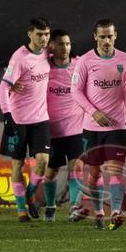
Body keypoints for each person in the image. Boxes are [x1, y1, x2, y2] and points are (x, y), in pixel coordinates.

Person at [71, 19, 126, 230]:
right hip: (92, 127)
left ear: (116, 36)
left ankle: (115, 211)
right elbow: (75, 91)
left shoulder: (125, 58)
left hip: (117, 127)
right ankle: (98, 212)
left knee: (116, 171)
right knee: (94, 173)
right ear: (95, 37)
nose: (106, 40)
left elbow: (125, 87)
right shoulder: (85, 61)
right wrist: (94, 113)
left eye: (110, 36)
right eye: (102, 36)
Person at [0, 17, 51, 222]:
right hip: (18, 119)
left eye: (46, 34)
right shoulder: (19, 58)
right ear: (30, 34)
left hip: (41, 119)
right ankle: (21, 210)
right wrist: (7, 116)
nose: (44, 38)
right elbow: (3, 87)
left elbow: (68, 56)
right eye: (39, 34)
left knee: (42, 161)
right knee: (17, 165)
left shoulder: (49, 52)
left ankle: (29, 194)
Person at [41, 30, 86, 222]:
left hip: (76, 127)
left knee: (76, 168)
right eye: (60, 44)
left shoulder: (78, 65)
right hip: (52, 129)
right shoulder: (44, 67)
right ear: (52, 46)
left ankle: (75, 208)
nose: (65, 48)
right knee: (52, 172)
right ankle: (50, 205)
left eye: (67, 44)